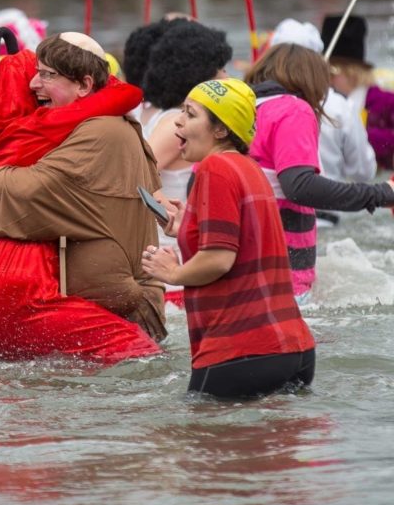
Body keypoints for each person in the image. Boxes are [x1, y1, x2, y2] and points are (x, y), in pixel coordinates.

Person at [0, 30, 162, 363]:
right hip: (65, 308)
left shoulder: (101, 130)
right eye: (35, 73)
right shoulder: (80, 126)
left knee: (142, 367)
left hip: (86, 306)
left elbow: (36, 191)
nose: (35, 84)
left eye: (48, 75)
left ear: (84, 85)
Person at [142, 79, 316, 399]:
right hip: (295, 349)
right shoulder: (248, 167)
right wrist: (186, 229)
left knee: (197, 444)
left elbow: (220, 258)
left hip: (241, 350)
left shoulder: (214, 167)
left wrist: (173, 273)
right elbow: (246, 242)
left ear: (221, 130)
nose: (178, 120)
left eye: (191, 114)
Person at [245, 44, 394, 302]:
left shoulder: (243, 108)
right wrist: (381, 194)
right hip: (282, 275)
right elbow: (300, 186)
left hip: (243, 268)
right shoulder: (294, 109)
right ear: (313, 80)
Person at [269, 18, 376, 228]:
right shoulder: (339, 106)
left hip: (271, 227)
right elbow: (364, 171)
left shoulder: (253, 103)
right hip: (326, 225)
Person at [139, 20, 232, 248]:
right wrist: (175, 216)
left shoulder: (160, 113)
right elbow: (136, 175)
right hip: (172, 246)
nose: (227, 77)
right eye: (220, 69)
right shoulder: (176, 125)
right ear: (200, 75)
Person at [323, 14, 394, 170]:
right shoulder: (323, 102)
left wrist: (358, 135)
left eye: (332, 72)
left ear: (352, 72)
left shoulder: (386, 101)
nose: (327, 79)